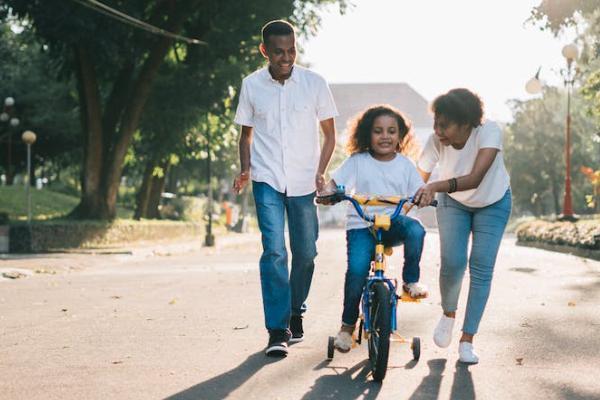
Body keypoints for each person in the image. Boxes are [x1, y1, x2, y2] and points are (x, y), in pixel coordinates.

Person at [232, 20, 338, 357]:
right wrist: (246, 169)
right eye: (278, 52)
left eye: (291, 50)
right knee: (275, 251)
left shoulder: (314, 83)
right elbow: (245, 135)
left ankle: (295, 311)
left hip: (304, 181)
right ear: (265, 51)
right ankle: (277, 330)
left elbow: (330, 134)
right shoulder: (251, 85)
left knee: (306, 253)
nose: (286, 57)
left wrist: (321, 172)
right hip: (266, 180)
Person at [414, 88, 512, 364]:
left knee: (481, 266)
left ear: (466, 123)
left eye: (444, 125)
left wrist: (434, 186)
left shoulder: (488, 132)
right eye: (436, 123)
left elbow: (475, 178)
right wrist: (406, 200)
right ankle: (448, 314)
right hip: (453, 203)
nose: (437, 130)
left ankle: (467, 340)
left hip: (493, 201)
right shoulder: (436, 141)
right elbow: (416, 178)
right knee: (453, 262)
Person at [322, 105, 428, 352]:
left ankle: (410, 281)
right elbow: (335, 183)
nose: (385, 136)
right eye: (378, 131)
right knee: (357, 271)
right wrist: (329, 193)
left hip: (393, 223)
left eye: (392, 131)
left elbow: (418, 190)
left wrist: (424, 196)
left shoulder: (405, 164)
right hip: (362, 224)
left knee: (417, 230)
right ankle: (347, 328)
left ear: (401, 136)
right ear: (367, 135)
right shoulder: (357, 161)